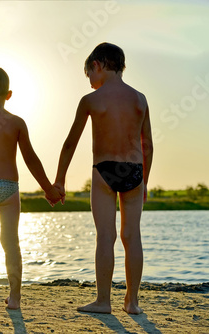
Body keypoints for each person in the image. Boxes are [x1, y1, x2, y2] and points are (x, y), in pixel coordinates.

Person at [54, 43, 153, 314]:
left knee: (105, 236)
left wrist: (59, 180)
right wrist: (144, 180)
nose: (89, 82)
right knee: (132, 237)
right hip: (134, 170)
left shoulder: (91, 100)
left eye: (88, 74)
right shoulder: (140, 99)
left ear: (97, 65)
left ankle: (103, 301)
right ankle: (132, 302)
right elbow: (148, 146)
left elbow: (70, 144)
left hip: (105, 170)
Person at [0, 65, 63, 310]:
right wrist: (48, 188)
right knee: (11, 243)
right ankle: (15, 298)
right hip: (9, 187)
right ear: (8, 94)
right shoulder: (16, 122)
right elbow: (31, 159)